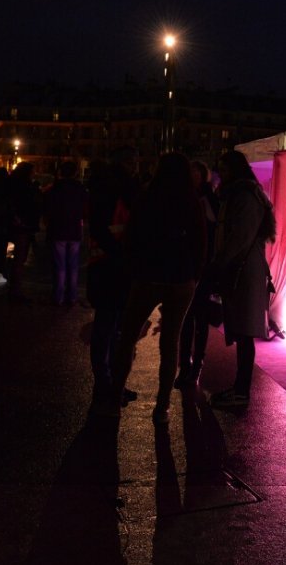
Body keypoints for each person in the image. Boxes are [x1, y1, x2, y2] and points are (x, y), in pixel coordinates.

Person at [107, 153, 206, 425]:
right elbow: (201, 242)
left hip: (148, 275)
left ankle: (114, 399)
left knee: (128, 337)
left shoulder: (148, 198)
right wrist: (194, 276)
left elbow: (132, 236)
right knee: (170, 343)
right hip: (181, 278)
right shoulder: (191, 202)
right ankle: (162, 407)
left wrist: (134, 268)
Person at [208, 150, 276, 408]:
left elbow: (240, 237)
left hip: (243, 270)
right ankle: (239, 388)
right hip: (242, 268)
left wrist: (220, 262)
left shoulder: (244, 196)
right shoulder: (242, 194)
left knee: (245, 331)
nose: (221, 175)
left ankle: (242, 391)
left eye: (224, 170)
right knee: (241, 330)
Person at [86, 151, 141, 409]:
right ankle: (108, 385)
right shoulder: (120, 196)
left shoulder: (102, 194)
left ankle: (109, 384)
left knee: (108, 329)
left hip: (105, 269)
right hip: (117, 269)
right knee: (111, 329)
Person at [176, 159, 218, 387]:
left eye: (196, 172)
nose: (193, 175)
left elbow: (214, 226)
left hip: (203, 264)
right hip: (186, 263)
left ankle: (197, 363)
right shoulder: (183, 196)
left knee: (199, 315)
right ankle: (185, 363)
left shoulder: (208, 198)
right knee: (186, 317)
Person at [43, 160, 87, 306]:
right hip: (74, 229)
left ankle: (58, 296)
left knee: (59, 264)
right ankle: (72, 296)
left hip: (58, 229)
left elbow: (47, 208)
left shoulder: (54, 189)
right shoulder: (80, 189)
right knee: (73, 265)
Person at [6, 162, 41, 304]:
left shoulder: (13, 186)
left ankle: (14, 288)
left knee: (18, 259)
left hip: (19, 225)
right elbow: (29, 205)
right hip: (23, 225)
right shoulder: (26, 187)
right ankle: (16, 290)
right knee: (20, 258)